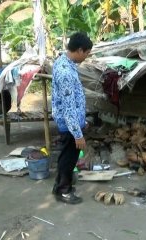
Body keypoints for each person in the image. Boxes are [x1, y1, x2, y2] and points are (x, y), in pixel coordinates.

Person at [51, 32, 93, 204]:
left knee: (65, 156)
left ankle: (59, 186)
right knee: (69, 158)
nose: (86, 57)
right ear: (80, 50)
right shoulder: (65, 72)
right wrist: (78, 133)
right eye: (87, 54)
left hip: (71, 120)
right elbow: (69, 108)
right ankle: (64, 191)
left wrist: (83, 121)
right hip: (69, 123)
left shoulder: (63, 62)